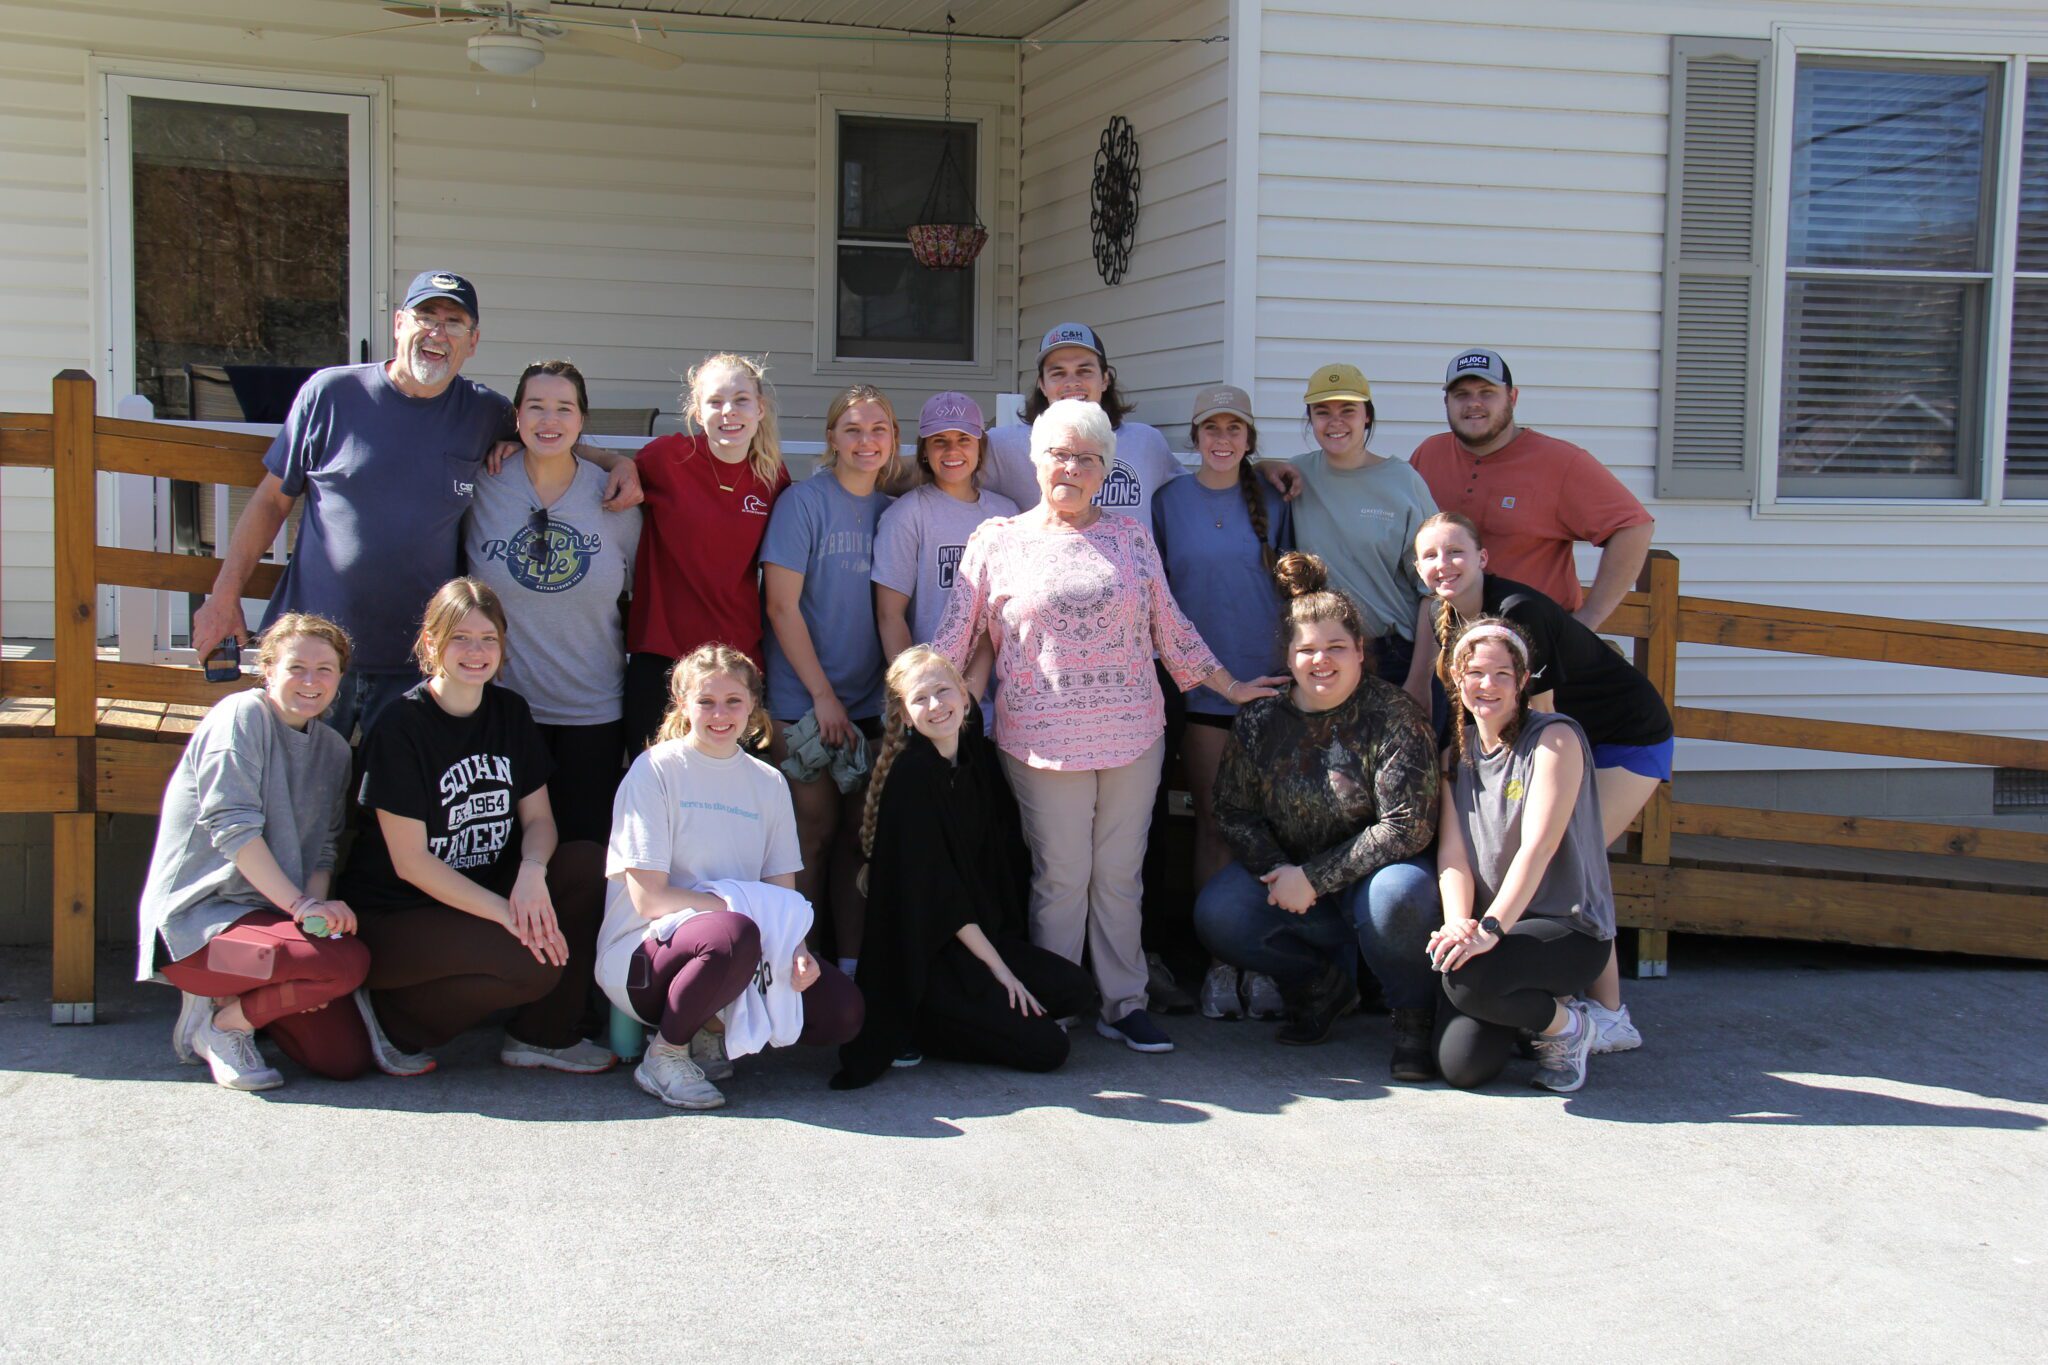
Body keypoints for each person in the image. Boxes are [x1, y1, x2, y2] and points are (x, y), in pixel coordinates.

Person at [934, 398, 1281, 1054]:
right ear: (1036, 460)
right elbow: (957, 635)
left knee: (1120, 873)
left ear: (1105, 470)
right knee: (1061, 873)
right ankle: (1055, 998)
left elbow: (1169, 626)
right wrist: (919, 698)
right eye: (1058, 454)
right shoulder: (997, 540)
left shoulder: (1130, 536)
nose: (1070, 467)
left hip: (1134, 730)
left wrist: (1230, 684)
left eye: (1086, 458)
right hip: (1041, 736)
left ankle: (1124, 1001)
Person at [191, 270, 641, 739]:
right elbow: (269, 502)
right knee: (297, 794)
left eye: (454, 323)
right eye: (426, 316)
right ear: (399, 323)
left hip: (421, 664)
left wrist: (613, 462)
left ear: (473, 342)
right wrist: (224, 597)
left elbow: (549, 435)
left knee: (397, 807)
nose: (437, 332)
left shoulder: (483, 413)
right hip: (315, 655)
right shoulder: (331, 395)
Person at [1413, 511, 1671, 1053]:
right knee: (1538, 860)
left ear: (1483, 558)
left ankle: (1611, 1015)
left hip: (1624, 737)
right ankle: (1539, 985)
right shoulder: (1447, 617)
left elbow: (1540, 724)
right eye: (1431, 556)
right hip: (1575, 735)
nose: (1444, 565)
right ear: (1417, 569)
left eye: (1456, 552)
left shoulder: (1518, 612)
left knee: (1576, 861)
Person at [337, 578, 612, 1076]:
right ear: (431, 643)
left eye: (488, 639)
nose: (476, 651)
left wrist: (531, 874)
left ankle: (542, 1035)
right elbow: (411, 863)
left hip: (479, 896)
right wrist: (508, 914)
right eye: (460, 637)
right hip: (397, 913)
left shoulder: (509, 712)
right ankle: (393, 1022)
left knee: (584, 864)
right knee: (529, 961)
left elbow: (540, 820)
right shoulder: (400, 727)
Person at [1194, 553, 1443, 1080]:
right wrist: (1283, 874)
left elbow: (1407, 825)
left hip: (1374, 878)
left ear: (1360, 651)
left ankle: (1413, 1018)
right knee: (1221, 912)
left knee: (1399, 897)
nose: (1320, 661)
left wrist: (1314, 878)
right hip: (1290, 872)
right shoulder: (1261, 718)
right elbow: (1233, 810)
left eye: (1335, 647)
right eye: (1306, 649)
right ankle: (1320, 984)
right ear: (1288, 656)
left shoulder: (1395, 715)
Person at [595, 643, 864, 1110]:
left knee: (843, 1012)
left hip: (739, 949)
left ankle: (711, 1034)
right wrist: (740, 910)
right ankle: (666, 1054)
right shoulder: (655, 770)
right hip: (642, 958)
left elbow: (783, 896)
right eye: (706, 702)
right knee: (733, 932)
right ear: (683, 705)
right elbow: (649, 901)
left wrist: (797, 949)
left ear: (753, 707)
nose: (720, 714)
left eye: (733, 702)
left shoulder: (768, 782)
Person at [832, 648, 1098, 1089]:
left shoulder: (971, 760)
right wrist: (1004, 974)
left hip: (976, 939)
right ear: (903, 711)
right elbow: (944, 900)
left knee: (1076, 990)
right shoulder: (912, 776)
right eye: (920, 699)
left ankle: (982, 1011)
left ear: (963, 692)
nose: (936, 706)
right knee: (1048, 1049)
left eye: (943, 691)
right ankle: (923, 1023)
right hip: (930, 959)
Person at [137, 613, 370, 1091]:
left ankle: (237, 1001)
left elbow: (324, 849)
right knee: (343, 964)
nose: (311, 680)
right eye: (296, 667)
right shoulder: (240, 716)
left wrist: (316, 918)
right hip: (198, 932)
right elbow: (233, 830)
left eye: (325, 669)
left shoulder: (334, 750)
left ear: (340, 679)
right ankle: (221, 1026)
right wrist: (303, 910)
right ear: (267, 669)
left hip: (272, 924)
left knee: (342, 1058)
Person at [1149, 384, 1295, 1023]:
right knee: (1214, 821)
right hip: (1201, 686)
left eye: (1235, 429)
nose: (1223, 439)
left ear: (1249, 438)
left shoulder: (1273, 498)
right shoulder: (1169, 501)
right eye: (1212, 427)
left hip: (1267, 686)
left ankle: (1259, 958)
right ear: (1195, 434)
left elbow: (1297, 588)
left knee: (1266, 828)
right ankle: (1219, 962)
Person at [1429, 617, 1617, 1093]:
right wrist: (1458, 925)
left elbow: (1539, 846)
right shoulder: (1456, 754)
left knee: (1468, 980)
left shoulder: (1555, 738)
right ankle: (1528, 1016)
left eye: (1501, 674)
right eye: (1474, 673)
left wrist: (1490, 929)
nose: (1486, 685)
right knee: (1460, 1067)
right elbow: (1454, 854)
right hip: (1497, 933)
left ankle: (1570, 1028)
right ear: (1456, 678)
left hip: (1567, 928)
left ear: (1522, 683)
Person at [462, 359, 642, 843]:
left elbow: (641, 592)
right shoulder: (483, 485)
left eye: (564, 408)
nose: (549, 420)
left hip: (592, 708)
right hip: (501, 707)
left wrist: (616, 461)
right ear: (516, 417)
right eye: (536, 407)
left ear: (582, 421)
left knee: (583, 850)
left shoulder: (615, 495)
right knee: (504, 852)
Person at [761, 384, 902, 975]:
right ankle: (800, 964)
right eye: (853, 429)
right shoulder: (804, 503)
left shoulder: (893, 510)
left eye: (878, 430)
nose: (865, 441)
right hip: (805, 703)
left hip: (870, 702)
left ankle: (849, 965)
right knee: (809, 837)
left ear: (893, 440)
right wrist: (822, 697)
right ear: (831, 438)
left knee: (858, 839)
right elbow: (781, 607)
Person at [1409, 347, 1653, 630]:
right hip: (1446, 636)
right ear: (1447, 402)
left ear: (1512, 397)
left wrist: (1586, 623)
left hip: (1532, 639)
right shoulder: (1429, 453)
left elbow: (1634, 528)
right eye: (1461, 394)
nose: (1473, 403)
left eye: (1487, 392)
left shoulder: (1561, 462)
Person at [623, 352, 791, 753]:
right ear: (698, 411)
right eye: (715, 401)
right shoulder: (665, 458)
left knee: (731, 795)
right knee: (656, 787)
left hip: (737, 661)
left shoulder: (773, 477)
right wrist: (616, 463)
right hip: (662, 654)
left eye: (741, 400)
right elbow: (602, 466)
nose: (728, 412)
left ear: (760, 408)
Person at [1278, 362, 1439, 698]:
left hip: (1394, 656)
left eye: (1348, 410)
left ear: (1367, 416)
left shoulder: (1403, 481)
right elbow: (1250, 472)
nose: (1335, 422)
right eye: (1322, 412)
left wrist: (1421, 678)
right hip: (1324, 658)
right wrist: (1266, 467)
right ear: (1310, 419)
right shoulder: (1298, 474)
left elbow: (1433, 592)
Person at [980, 322, 1184, 527]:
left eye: (1084, 370)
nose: (1072, 382)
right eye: (1058, 373)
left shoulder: (1146, 443)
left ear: (1105, 379)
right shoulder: (1005, 446)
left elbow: (1191, 495)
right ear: (1042, 384)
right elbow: (958, 492)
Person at [871, 391, 1018, 661]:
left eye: (964, 439)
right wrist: (912, 684)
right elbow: (889, 615)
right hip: (935, 683)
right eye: (940, 441)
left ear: (980, 447)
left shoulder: (1007, 513)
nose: (952, 450)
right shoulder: (906, 515)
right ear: (924, 451)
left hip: (999, 686)